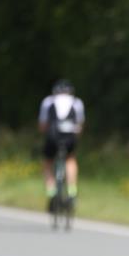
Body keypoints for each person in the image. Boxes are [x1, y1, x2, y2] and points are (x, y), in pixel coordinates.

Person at [38, 79, 85, 210]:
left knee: (47, 162)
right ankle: (72, 191)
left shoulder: (48, 102)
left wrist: (46, 134)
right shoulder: (77, 102)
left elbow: (42, 125)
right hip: (70, 138)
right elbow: (80, 126)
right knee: (70, 159)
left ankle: (52, 192)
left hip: (53, 137)